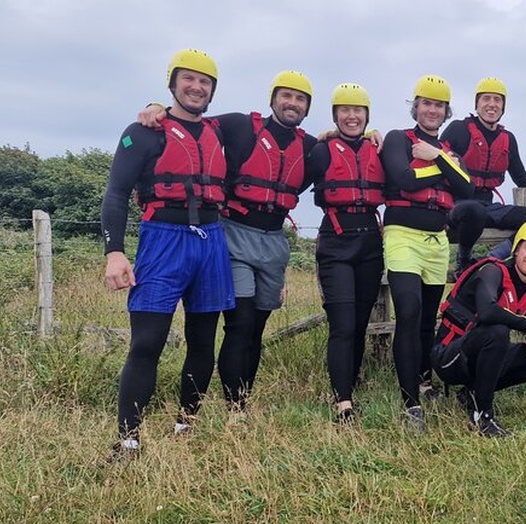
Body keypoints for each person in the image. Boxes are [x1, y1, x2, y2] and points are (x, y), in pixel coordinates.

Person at [137, 70, 319, 416]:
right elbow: (189, 121)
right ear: (272, 99)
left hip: (274, 242)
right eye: (286, 95)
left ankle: (242, 401)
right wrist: (156, 106)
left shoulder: (310, 147)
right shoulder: (239, 125)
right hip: (233, 234)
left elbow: (339, 147)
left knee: (257, 329)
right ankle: (234, 407)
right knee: (241, 323)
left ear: (307, 107)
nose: (292, 103)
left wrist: (364, 132)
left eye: (300, 99)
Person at [101, 48, 234, 458]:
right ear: (172, 83)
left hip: (211, 239)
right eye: (188, 79)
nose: (196, 87)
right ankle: (129, 440)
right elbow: (116, 193)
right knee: (148, 342)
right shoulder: (143, 131)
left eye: (205, 81)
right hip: (163, 239)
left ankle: (185, 425)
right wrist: (115, 252)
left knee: (202, 341)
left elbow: (281, 127)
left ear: (213, 89)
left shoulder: (221, 130)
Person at [380, 74, 474, 430]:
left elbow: (467, 188)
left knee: (427, 317)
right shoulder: (397, 140)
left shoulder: (447, 152)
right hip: (402, 234)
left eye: (439, 105)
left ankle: (423, 378)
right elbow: (404, 179)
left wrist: (437, 158)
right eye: (426, 104)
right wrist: (445, 168)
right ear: (415, 106)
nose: (432, 110)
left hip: (437, 241)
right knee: (408, 310)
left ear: (446, 111)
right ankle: (411, 404)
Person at [431, 220, 526, 437]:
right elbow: (487, 312)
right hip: (449, 357)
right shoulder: (492, 271)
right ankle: (482, 415)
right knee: (497, 330)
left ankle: (472, 394)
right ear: (517, 248)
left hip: (481, 355)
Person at [306, 83, 385, 423]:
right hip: (336, 243)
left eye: (358, 110)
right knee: (343, 324)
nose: (352, 116)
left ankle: (349, 384)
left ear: (367, 115)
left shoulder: (378, 149)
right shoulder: (321, 150)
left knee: (360, 323)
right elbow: (289, 176)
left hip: (370, 243)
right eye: (344, 110)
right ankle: (343, 403)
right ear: (335, 114)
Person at [440, 77, 526, 276]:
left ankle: (492, 258)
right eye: (486, 99)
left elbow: (522, 178)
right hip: (457, 205)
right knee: (474, 210)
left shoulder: (507, 139)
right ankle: (464, 260)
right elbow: (436, 160)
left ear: (503, 106)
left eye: (497, 100)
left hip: (488, 206)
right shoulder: (458, 129)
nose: (492, 104)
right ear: (477, 104)